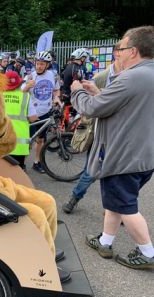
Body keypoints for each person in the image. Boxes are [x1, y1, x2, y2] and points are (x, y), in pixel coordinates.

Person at [71, 25, 154, 269]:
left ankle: (147, 252)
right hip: (143, 154)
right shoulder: (148, 73)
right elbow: (124, 105)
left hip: (123, 156)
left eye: (121, 47)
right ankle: (105, 242)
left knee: (126, 206)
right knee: (116, 202)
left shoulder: (132, 76)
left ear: (134, 51)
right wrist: (99, 92)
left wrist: (77, 92)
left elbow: (92, 108)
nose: (117, 52)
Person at [62, 46, 122, 214]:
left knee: (117, 174)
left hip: (120, 136)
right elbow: (90, 104)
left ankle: (114, 210)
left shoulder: (131, 78)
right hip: (101, 134)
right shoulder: (102, 76)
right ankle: (74, 199)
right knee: (91, 171)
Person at [22, 51, 61, 173]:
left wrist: (56, 97)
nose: (39, 66)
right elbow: (20, 93)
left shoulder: (53, 76)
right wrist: (27, 87)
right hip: (32, 114)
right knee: (28, 141)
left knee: (41, 140)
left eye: (42, 64)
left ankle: (37, 162)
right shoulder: (30, 77)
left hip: (46, 112)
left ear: (47, 65)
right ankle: (21, 164)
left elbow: (56, 90)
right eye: (37, 63)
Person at [3, 70, 38, 171]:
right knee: (17, 174)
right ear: (19, 83)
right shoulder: (25, 97)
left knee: (2, 174)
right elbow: (32, 118)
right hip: (19, 146)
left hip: (0, 143)